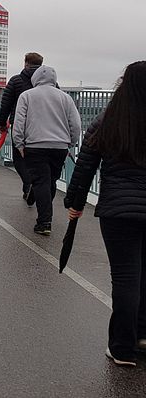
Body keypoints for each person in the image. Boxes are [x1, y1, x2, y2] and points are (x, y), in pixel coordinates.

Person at [64, 61, 146, 367]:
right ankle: (142, 336)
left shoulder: (107, 120)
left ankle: (123, 348)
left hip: (118, 210)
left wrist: (75, 202)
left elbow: (86, 164)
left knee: (126, 278)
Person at [12, 65, 81, 235]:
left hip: (35, 145)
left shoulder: (27, 96)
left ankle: (44, 221)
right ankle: (43, 210)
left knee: (41, 181)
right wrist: (70, 143)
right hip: (59, 146)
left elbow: (19, 122)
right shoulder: (65, 98)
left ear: (35, 79)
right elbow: (76, 124)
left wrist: (19, 143)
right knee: (50, 181)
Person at [0, 52, 44, 205]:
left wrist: (1, 122)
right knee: (37, 159)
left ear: (26, 63)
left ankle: (29, 183)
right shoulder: (48, 84)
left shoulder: (16, 81)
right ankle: (30, 188)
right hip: (41, 127)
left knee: (19, 159)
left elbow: (5, 103)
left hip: (19, 125)